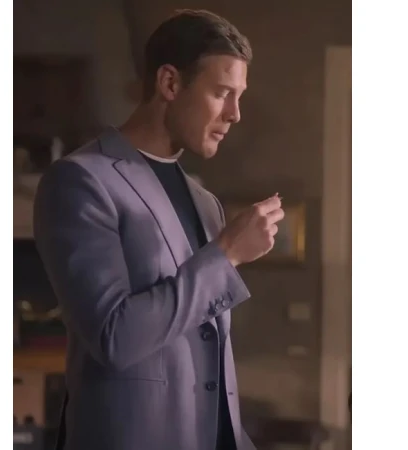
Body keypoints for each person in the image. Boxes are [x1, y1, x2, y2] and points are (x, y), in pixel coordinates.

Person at [34, 9, 284, 450]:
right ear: (169, 83)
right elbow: (114, 337)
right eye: (222, 93)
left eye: (239, 97)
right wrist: (226, 254)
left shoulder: (206, 203)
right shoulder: (80, 181)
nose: (235, 114)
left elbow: (207, 360)